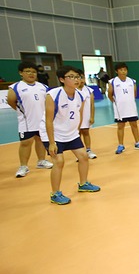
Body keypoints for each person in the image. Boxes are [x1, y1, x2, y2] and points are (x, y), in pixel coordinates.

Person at [40, 66, 100, 205]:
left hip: (70, 133)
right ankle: (55, 194)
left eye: (77, 77)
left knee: (83, 156)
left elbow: (78, 115)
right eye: (71, 77)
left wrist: (76, 132)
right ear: (62, 79)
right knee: (59, 162)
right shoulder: (53, 95)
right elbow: (48, 120)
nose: (76, 79)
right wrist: (51, 142)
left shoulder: (80, 95)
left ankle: (83, 184)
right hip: (53, 134)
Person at [7, 61, 53, 178]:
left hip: (42, 120)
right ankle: (23, 166)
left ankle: (41, 161)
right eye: (28, 71)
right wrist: (22, 112)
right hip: (26, 121)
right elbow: (11, 101)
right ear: (21, 73)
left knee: (41, 141)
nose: (31, 74)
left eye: (33, 72)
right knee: (25, 143)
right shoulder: (15, 87)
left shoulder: (43, 87)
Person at [107, 62, 139, 154]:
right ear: (116, 71)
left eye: (125, 70)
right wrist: (116, 102)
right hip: (120, 110)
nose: (123, 72)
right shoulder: (112, 81)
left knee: (134, 125)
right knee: (120, 126)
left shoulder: (132, 81)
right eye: (121, 70)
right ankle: (121, 145)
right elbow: (110, 94)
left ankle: (138, 142)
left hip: (131, 108)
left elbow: (135, 94)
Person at [77, 70, 98, 159]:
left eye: (83, 77)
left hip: (86, 115)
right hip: (76, 117)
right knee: (77, 134)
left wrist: (92, 116)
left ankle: (88, 150)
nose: (81, 80)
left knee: (86, 132)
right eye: (79, 77)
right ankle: (79, 152)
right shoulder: (72, 90)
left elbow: (92, 105)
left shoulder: (89, 90)